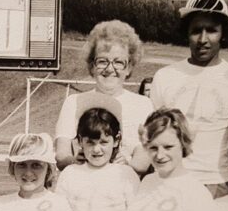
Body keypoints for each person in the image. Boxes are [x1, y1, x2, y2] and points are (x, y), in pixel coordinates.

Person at [150, 0, 228, 198]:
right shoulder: (165, 76)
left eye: (211, 30)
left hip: (219, 183)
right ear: (186, 33)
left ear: (223, 33)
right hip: (172, 182)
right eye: (196, 31)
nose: (203, 40)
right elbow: (154, 137)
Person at [55, 20, 154, 175]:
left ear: (129, 68)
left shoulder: (143, 104)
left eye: (118, 62)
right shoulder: (73, 102)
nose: (110, 69)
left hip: (125, 187)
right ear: (92, 66)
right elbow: (61, 156)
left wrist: (128, 164)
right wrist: (74, 161)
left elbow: (143, 162)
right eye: (102, 61)